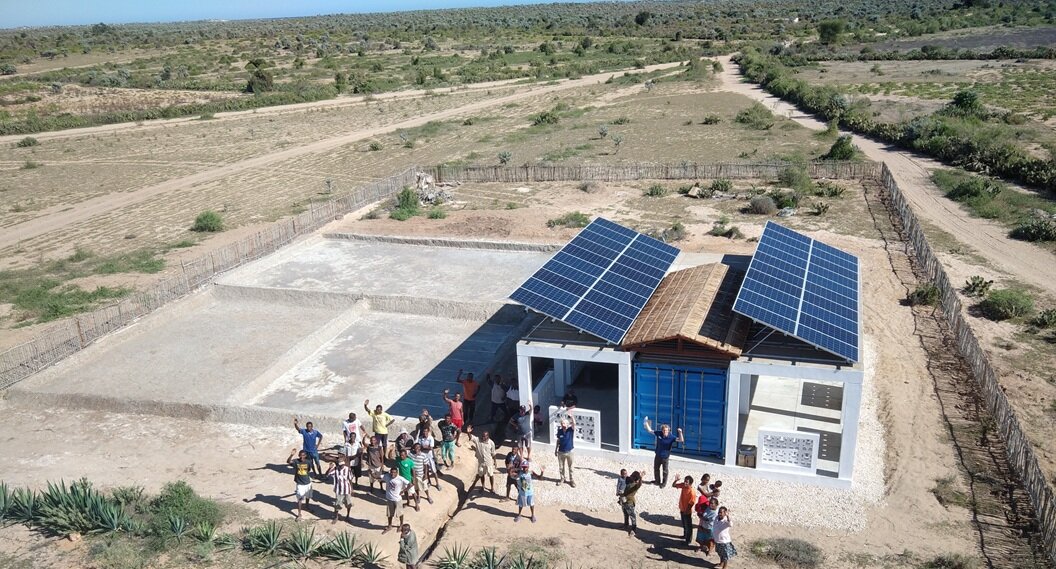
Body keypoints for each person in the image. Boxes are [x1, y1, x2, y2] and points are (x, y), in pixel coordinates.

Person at [642, 417, 683, 486]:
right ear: (662, 430)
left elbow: (681, 440)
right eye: (664, 430)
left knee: (665, 471)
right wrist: (646, 423)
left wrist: (680, 432)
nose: (665, 432)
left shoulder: (671, 437)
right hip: (657, 455)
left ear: (669, 430)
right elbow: (650, 431)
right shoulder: (659, 433)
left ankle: (663, 483)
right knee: (656, 469)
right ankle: (657, 481)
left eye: (666, 430)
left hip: (665, 457)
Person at [374, 466, 409, 533]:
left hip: (397, 499)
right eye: (391, 472)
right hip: (389, 498)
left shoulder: (400, 479)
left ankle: (401, 525)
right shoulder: (387, 476)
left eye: (394, 472)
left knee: (400, 513)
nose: (392, 474)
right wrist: (373, 475)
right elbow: (379, 477)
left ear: (397, 473)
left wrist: (403, 491)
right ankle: (390, 525)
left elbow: (410, 484)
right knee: (389, 514)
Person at [466, 425, 497, 494]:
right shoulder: (478, 440)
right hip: (481, 462)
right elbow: (471, 437)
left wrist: (495, 461)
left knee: (491, 475)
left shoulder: (491, 443)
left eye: (485, 436)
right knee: (481, 474)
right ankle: (483, 486)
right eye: (483, 436)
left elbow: (493, 453)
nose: (483, 437)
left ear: (488, 436)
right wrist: (468, 432)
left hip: (488, 462)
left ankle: (492, 488)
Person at [324, 455, 354, 524]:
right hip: (339, 490)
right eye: (340, 465)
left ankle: (347, 516)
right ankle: (336, 517)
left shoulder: (348, 469)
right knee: (337, 504)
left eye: (342, 465)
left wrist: (352, 489)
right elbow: (326, 475)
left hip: (347, 490)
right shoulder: (335, 469)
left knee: (348, 504)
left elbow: (350, 479)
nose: (341, 466)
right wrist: (329, 468)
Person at [286, 448, 314, 519]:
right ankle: (299, 514)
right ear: (298, 455)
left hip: (307, 483)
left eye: (303, 455)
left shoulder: (308, 462)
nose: (302, 457)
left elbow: (309, 469)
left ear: (305, 455)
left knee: (308, 496)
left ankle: (307, 507)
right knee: (300, 499)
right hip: (300, 484)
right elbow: (288, 462)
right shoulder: (296, 462)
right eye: (300, 455)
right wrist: (291, 455)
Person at [672, 474, 697, 546]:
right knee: (684, 524)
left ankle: (688, 540)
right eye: (685, 481)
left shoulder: (692, 492)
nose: (685, 483)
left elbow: (691, 503)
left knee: (688, 526)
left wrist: (686, 511)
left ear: (690, 483)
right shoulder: (683, 485)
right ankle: (685, 535)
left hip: (687, 511)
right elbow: (674, 485)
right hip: (682, 509)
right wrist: (676, 480)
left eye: (687, 482)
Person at [554, 414, 576, 487]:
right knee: (561, 467)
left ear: (568, 424)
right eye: (563, 423)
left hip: (570, 451)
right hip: (561, 452)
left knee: (571, 467)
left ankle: (571, 480)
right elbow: (558, 440)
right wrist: (556, 449)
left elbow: (574, 424)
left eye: (565, 423)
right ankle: (562, 479)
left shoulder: (570, 430)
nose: (564, 424)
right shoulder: (559, 431)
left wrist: (572, 417)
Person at [409, 443, 434, 508]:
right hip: (414, 475)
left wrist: (425, 475)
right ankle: (418, 496)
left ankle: (428, 496)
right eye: (416, 447)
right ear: (414, 448)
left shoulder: (423, 455)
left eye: (418, 447)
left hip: (421, 474)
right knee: (416, 487)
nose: (417, 448)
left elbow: (426, 466)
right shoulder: (411, 455)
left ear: (420, 448)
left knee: (425, 486)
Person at [621, 471, 643, 535]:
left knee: (632, 516)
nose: (631, 476)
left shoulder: (635, 485)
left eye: (633, 476)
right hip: (624, 501)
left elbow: (640, 484)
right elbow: (624, 477)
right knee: (625, 514)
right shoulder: (628, 481)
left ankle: (634, 529)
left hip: (630, 502)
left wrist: (641, 478)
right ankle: (626, 525)